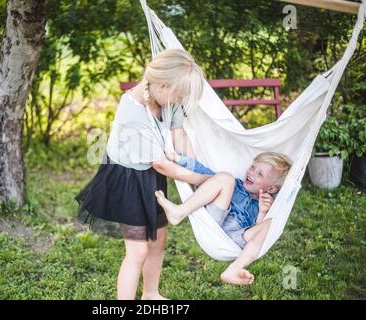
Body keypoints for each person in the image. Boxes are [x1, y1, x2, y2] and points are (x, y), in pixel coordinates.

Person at [76, 49, 208, 299]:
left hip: (151, 177)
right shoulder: (133, 111)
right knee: (137, 252)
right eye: (179, 94)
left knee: (157, 241)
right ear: (163, 84)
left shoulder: (167, 98)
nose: (180, 99)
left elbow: (179, 136)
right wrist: (202, 181)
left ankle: (150, 294)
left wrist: (199, 168)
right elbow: (161, 164)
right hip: (127, 180)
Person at [156, 151, 292, 285]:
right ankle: (180, 211)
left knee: (269, 223)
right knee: (226, 178)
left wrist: (262, 212)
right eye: (252, 167)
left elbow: (258, 235)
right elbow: (202, 170)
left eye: (260, 174)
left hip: (237, 237)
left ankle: (235, 268)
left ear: (272, 189)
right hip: (215, 222)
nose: (251, 172)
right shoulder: (235, 184)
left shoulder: (263, 206)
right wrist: (178, 158)